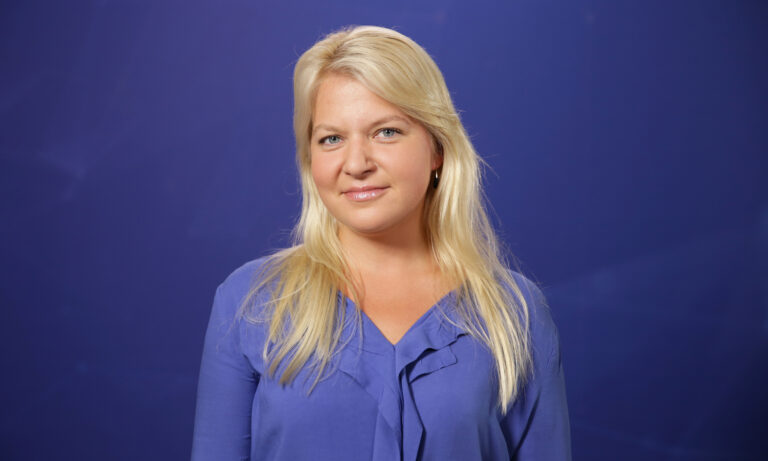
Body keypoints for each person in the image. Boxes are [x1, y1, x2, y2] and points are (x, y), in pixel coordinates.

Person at [191, 25, 571, 461]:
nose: (356, 164)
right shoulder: (250, 303)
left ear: (437, 148)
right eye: (331, 139)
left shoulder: (515, 313)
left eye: (386, 132)